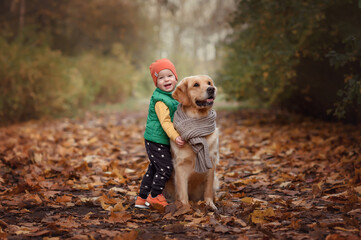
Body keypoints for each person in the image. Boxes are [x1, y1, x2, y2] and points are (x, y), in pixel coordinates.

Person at [135, 58, 185, 209]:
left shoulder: (172, 96)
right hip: (156, 140)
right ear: (156, 83)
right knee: (165, 168)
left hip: (156, 139)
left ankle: (142, 198)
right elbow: (165, 122)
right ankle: (155, 195)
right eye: (160, 78)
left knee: (154, 168)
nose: (166, 80)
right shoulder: (160, 100)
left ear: (176, 77)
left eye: (169, 75)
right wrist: (175, 136)